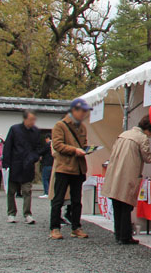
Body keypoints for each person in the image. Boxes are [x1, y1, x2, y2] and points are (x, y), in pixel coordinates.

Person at [103, 115, 151, 244]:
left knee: (117, 204)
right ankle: (125, 236)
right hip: (127, 174)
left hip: (114, 173)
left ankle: (118, 234)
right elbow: (148, 158)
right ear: (149, 129)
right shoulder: (142, 138)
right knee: (126, 205)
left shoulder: (124, 134)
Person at [49, 98, 91, 240]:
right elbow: (58, 145)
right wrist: (75, 150)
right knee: (58, 199)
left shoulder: (83, 127)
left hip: (79, 168)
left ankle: (76, 227)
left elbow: (84, 143)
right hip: (64, 167)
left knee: (77, 200)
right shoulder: (60, 126)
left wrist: (87, 149)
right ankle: (54, 228)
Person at [3, 110, 44, 224]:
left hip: (28, 165)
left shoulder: (36, 131)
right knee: (11, 191)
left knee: (27, 190)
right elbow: (8, 146)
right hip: (14, 163)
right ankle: (11, 213)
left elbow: (38, 148)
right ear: (25, 119)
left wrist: (34, 158)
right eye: (31, 119)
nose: (32, 122)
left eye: (34, 119)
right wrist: (6, 164)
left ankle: (27, 214)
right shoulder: (15, 129)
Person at [39, 134, 54, 199]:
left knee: (45, 179)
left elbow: (41, 151)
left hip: (47, 164)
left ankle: (46, 193)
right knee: (51, 179)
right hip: (53, 164)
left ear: (48, 138)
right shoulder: (54, 144)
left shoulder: (48, 144)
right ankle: (52, 192)